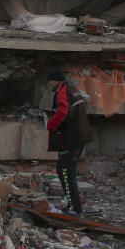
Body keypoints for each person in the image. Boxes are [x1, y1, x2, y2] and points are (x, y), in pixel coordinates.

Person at [45, 68, 88, 215]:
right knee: (67, 171)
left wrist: (51, 124)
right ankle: (74, 206)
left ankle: (74, 208)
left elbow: (63, 112)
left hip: (70, 139)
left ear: (56, 81)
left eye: (49, 82)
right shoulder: (73, 90)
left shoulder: (62, 91)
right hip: (80, 136)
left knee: (64, 172)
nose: (49, 85)